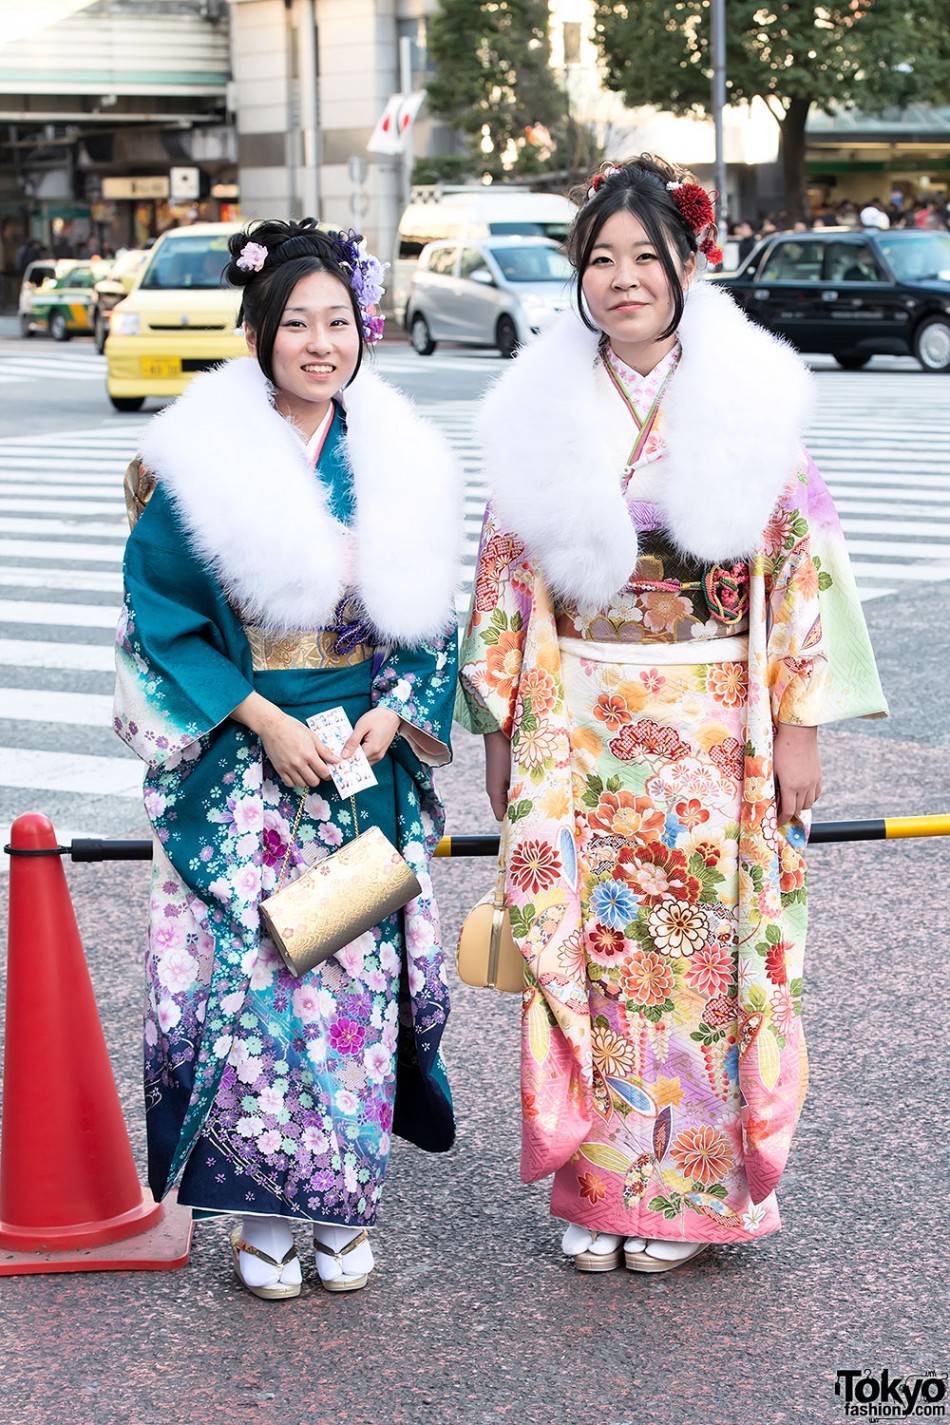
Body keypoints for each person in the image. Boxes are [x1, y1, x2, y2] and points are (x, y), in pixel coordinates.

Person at [458, 155, 886, 1276]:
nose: (622, 278)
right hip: (579, 719)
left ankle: (693, 1201)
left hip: (712, 723)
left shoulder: (746, 404)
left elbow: (801, 570)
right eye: (600, 259)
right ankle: (600, 1186)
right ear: (578, 280)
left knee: (696, 955)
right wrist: (501, 731)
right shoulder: (541, 412)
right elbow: (504, 577)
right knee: (596, 956)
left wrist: (799, 725)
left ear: (689, 265)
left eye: (645, 256)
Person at [114, 218, 462, 1300]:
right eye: (296, 323)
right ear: (259, 331)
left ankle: (341, 1209)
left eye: (339, 323)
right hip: (243, 773)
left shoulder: (395, 457)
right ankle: (261, 1216)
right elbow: (157, 621)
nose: (321, 344)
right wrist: (256, 718)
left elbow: (429, 622)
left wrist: (393, 712)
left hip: (358, 773)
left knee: (346, 987)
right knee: (253, 986)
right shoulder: (201, 465)